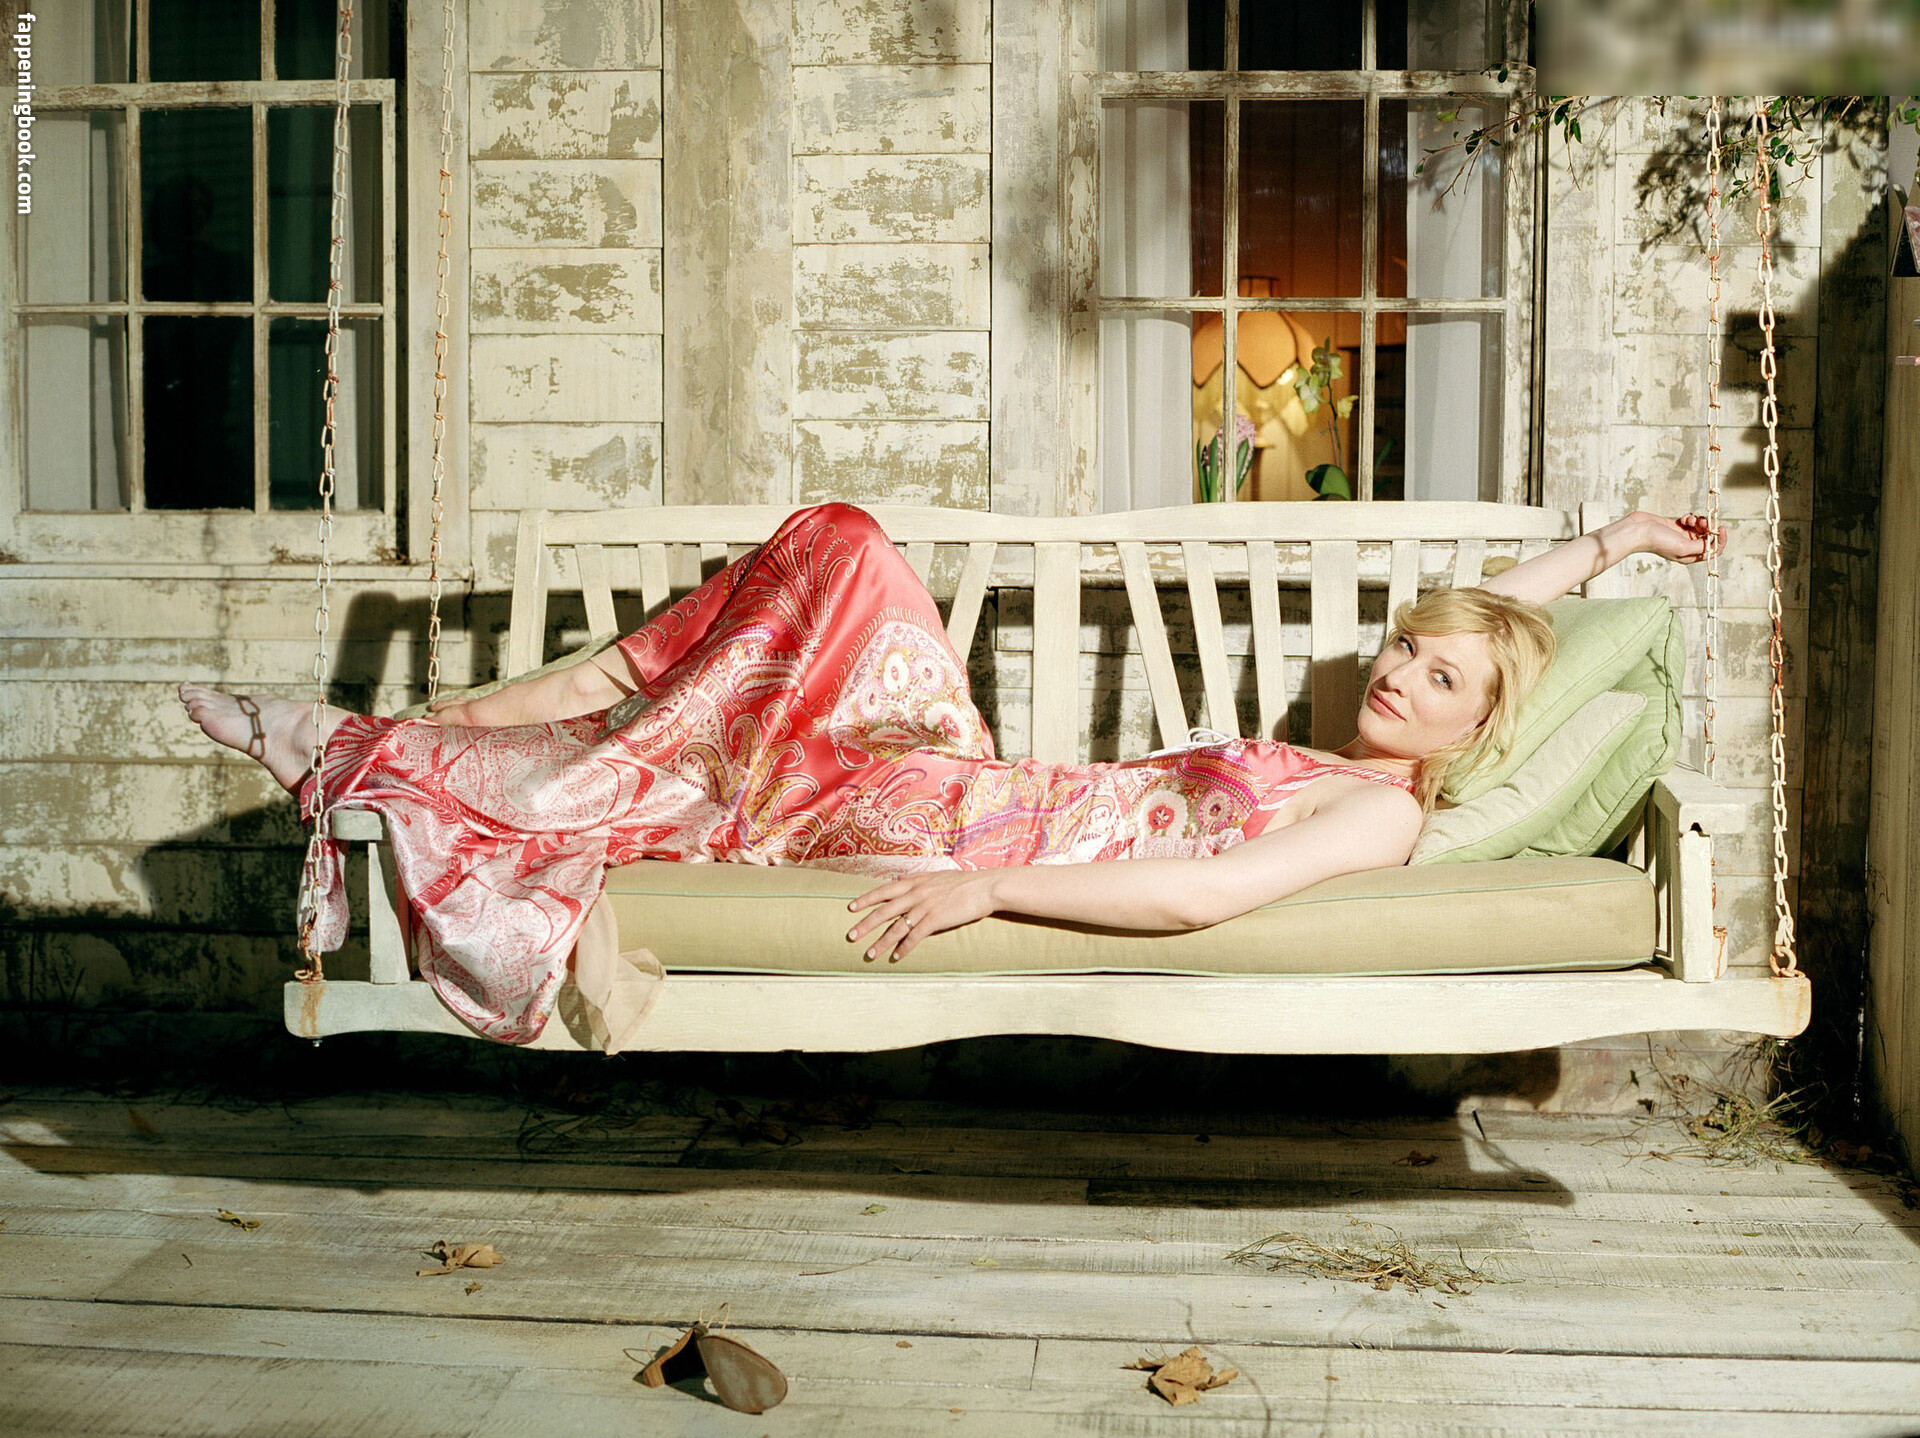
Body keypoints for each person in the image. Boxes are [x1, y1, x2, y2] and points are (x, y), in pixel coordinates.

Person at [178, 503, 1721, 1045]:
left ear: (1475, 732)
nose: (1401, 674)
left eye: (1439, 683)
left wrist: (989, 888)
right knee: (835, 555)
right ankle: (431, 741)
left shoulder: (1378, 808)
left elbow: (1200, 896)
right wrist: (1614, 544)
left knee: (737, 708)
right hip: (969, 779)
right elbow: (1493, 618)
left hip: (960, 830)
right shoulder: (1356, 746)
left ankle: (391, 745)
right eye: (1407, 649)